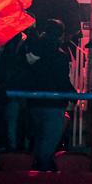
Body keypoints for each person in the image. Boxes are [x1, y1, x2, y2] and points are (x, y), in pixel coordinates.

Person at [27, 19, 74, 171]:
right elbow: (62, 81)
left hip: (34, 102)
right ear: (60, 35)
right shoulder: (60, 56)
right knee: (47, 147)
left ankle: (32, 175)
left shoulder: (33, 50)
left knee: (37, 142)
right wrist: (74, 95)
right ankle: (42, 177)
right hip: (54, 105)